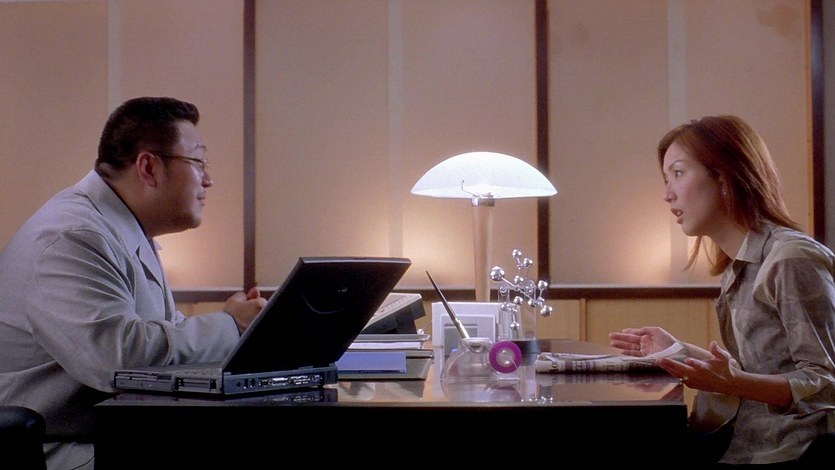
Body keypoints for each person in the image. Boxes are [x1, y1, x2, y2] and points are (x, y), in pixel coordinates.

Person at [0, 97, 267, 469]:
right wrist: (231, 324)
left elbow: (162, 337)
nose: (209, 180)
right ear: (149, 167)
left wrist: (240, 333)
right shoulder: (73, 236)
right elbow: (120, 359)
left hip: (101, 432)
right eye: (199, 162)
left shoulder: (121, 230)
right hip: (48, 448)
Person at [609, 115, 835, 467]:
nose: (667, 194)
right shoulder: (739, 265)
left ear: (725, 176)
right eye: (667, 179)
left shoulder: (791, 258)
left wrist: (732, 383)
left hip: (789, 452)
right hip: (742, 443)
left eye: (678, 174)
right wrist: (678, 351)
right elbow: (753, 370)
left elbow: (825, 383)